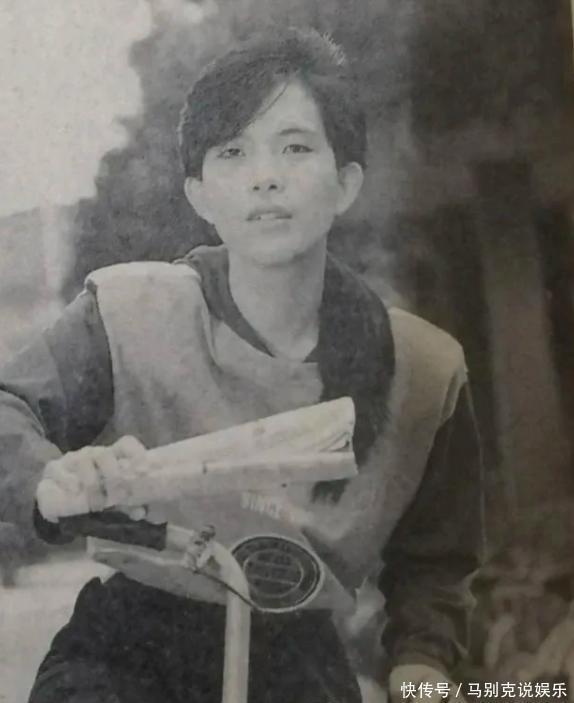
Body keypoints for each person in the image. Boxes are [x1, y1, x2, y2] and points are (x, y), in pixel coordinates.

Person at [0, 26, 484, 703]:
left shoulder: (425, 371)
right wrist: (50, 476)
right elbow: (9, 406)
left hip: (297, 659)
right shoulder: (129, 312)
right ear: (200, 194)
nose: (265, 176)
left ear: (346, 183)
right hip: (128, 650)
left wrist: (423, 665)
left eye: (296, 147)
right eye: (233, 153)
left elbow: (435, 564)